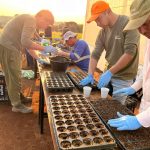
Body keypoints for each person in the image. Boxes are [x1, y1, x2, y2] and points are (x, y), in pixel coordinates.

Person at [80, 1, 140, 104]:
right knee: (102, 102)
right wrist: (90, 74)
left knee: (116, 106)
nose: (97, 24)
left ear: (107, 11)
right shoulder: (103, 31)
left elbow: (129, 53)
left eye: (98, 19)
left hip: (123, 77)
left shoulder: (127, 23)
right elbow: (95, 54)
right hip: (108, 73)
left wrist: (110, 72)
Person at [0, 10, 57, 113]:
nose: (45, 27)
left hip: (9, 46)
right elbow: (26, 42)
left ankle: (19, 98)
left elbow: (31, 38)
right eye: (47, 23)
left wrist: (40, 41)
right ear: (41, 17)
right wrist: (44, 49)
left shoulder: (30, 20)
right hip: (9, 47)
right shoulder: (31, 20)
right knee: (13, 76)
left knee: (16, 75)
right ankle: (16, 105)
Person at [108, 0, 150, 131]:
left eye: (146, 23)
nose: (142, 30)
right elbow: (146, 71)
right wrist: (134, 87)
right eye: (138, 25)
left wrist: (140, 119)